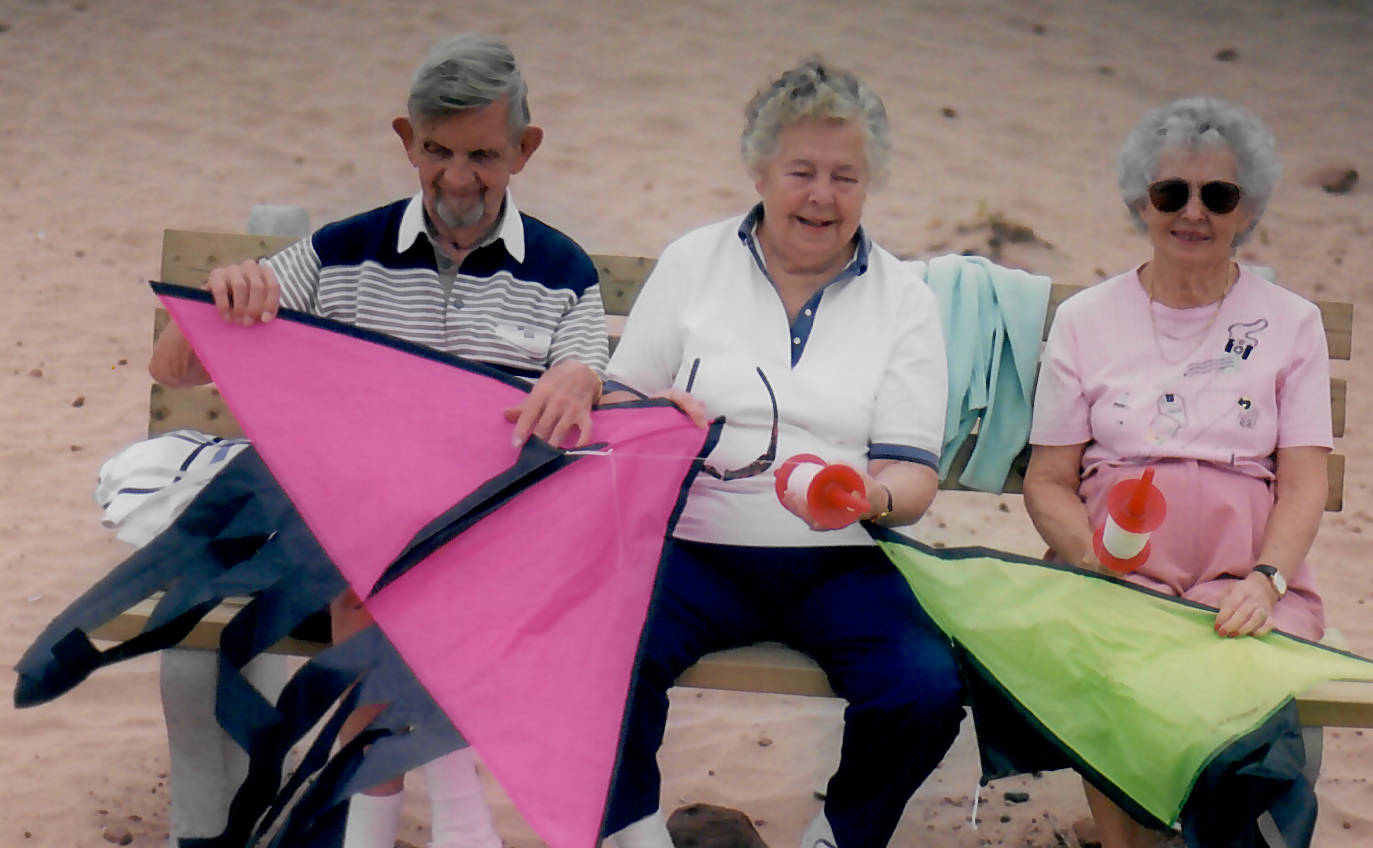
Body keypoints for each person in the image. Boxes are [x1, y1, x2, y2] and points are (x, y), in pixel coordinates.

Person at [149, 33, 608, 848]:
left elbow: (586, 387)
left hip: (493, 535)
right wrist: (224, 297)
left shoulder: (564, 273)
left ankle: (378, 820)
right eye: (435, 151)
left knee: (395, 576)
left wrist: (580, 379)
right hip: (367, 532)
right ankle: (454, 818)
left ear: (524, 151)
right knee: (375, 565)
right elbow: (176, 368)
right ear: (406, 140)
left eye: (482, 155)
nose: (457, 179)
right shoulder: (340, 252)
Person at [597, 59, 965, 848]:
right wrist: (659, 417)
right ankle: (630, 836)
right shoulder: (693, 263)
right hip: (692, 547)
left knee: (925, 684)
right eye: (800, 171)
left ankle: (833, 839)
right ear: (759, 169)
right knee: (600, 647)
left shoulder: (903, 299)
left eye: (845, 176)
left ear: (870, 184)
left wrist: (871, 497)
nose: (821, 196)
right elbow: (619, 407)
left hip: (837, 560)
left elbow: (913, 474)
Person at [1022, 95, 1332, 848]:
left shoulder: (1291, 323)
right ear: (1140, 202)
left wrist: (1267, 580)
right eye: (1171, 194)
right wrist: (1092, 561)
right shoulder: (1085, 319)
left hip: (1241, 572)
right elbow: (1046, 479)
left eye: (1216, 196)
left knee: (1243, 678)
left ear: (1246, 209)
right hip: (1116, 567)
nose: (1191, 213)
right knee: (1101, 663)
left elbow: (1303, 481)